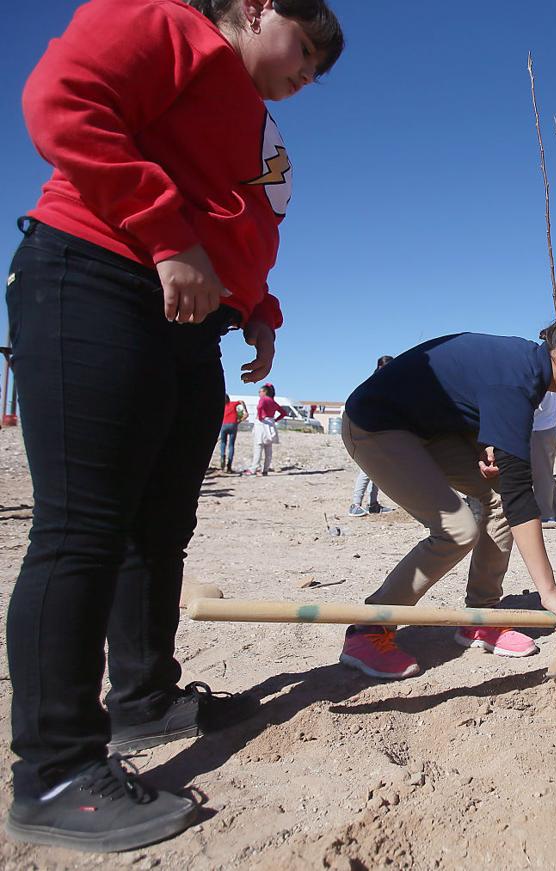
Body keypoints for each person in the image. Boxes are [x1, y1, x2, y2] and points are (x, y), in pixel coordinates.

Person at [3, 0, 343, 852]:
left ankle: (143, 699)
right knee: (82, 526)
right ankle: (54, 770)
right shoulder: (168, 25)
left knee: (160, 529)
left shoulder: (249, 112)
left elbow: (237, 219)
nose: (310, 72)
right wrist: (161, 232)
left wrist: (258, 306)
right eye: (306, 47)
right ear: (256, 7)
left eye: (319, 68)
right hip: (97, 273)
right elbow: (61, 99)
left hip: (193, 317)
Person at [337, 293, 556, 678]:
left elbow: (463, 397)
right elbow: (522, 495)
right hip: (375, 424)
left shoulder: (530, 373)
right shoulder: (517, 380)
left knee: (498, 501)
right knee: (458, 529)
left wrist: (482, 442)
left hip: (427, 428)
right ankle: (369, 628)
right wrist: (549, 592)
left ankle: (480, 616)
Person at [348, 355, 394, 516]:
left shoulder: (388, 387)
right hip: (370, 430)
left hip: (383, 431)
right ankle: (355, 504)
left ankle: (373, 504)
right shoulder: (373, 386)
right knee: (367, 469)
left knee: (378, 470)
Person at [531, 388, 556, 527]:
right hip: (546, 426)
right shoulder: (550, 370)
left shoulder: (541, 370)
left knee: (541, 474)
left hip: (540, 427)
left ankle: (545, 514)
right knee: (543, 471)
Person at [251, 382, 287, 476]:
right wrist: (275, 419)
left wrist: (260, 415)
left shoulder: (263, 399)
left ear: (264, 391)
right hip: (270, 423)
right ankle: (265, 469)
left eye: (260, 391)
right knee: (268, 448)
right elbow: (283, 413)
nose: (259, 393)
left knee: (258, 446)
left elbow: (259, 406)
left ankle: (254, 468)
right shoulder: (273, 401)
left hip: (261, 423)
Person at [218, 393, 247, 473]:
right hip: (233, 424)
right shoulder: (233, 403)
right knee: (231, 445)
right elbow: (241, 401)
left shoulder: (222, 407)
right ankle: (229, 466)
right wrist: (245, 411)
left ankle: (222, 456)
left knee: (223, 443)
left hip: (224, 424)